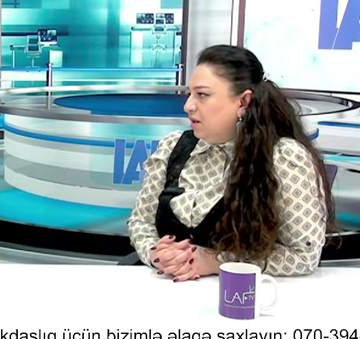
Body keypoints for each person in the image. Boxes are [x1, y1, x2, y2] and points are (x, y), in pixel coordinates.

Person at [127, 45, 337, 281]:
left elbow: (303, 256)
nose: (188, 105)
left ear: (243, 101)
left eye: (202, 95)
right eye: (190, 94)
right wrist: (157, 253)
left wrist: (216, 261)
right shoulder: (172, 147)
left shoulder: (283, 158)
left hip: (239, 294)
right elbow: (141, 222)